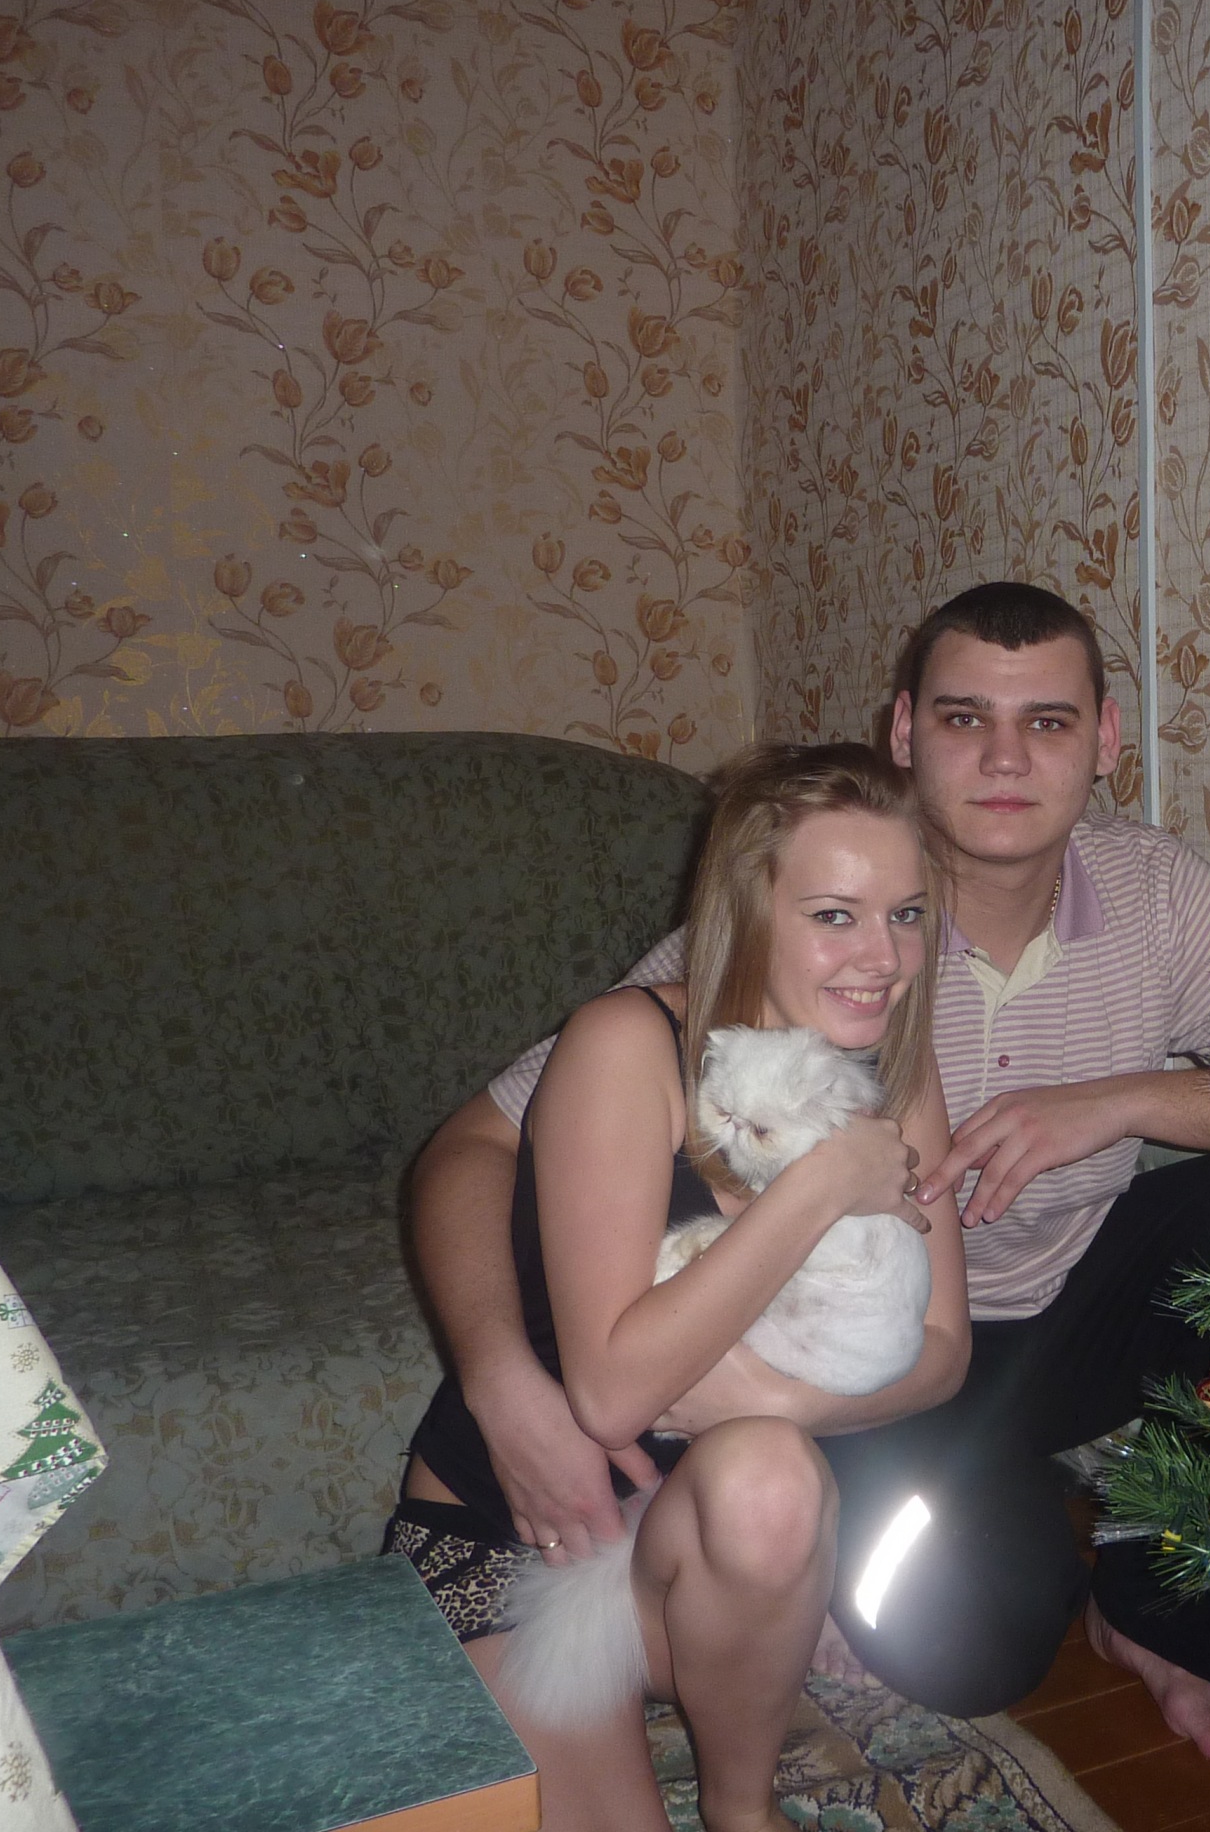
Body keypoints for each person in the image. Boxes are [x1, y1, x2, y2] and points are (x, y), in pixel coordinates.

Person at [410, 583, 1210, 1759]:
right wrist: (501, 1379)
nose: (1005, 758)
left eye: (1048, 722)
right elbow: (473, 1144)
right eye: (963, 719)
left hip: (1065, 1314)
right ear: (903, 733)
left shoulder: (1161, 896)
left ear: (1106, 740)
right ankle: (879, 1550)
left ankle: (1154, 1607)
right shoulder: (804, 924)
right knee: (979, 1652)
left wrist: (1123, 1101)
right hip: (871, 1354)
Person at [386, 744, 968, 1832]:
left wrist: (773, 1403)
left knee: (769, 1474)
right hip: (526, 1540)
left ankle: (741, 1811)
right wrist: (820, 1188)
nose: (883, 958)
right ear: (748, 912)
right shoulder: (627, 1043)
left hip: (685, 1548)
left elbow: (944, 1353)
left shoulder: (899, 1069)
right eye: (834, 916)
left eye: (906, 914)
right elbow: (611, 1396)